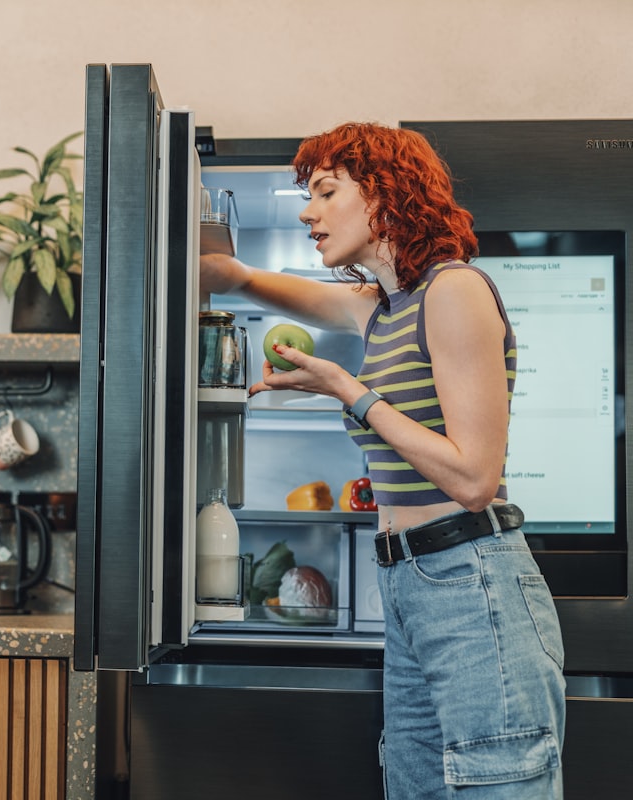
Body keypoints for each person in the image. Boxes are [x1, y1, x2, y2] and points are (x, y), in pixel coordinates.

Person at [201, 123, 566, 798]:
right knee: (418, 785)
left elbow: (474, 477)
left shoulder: (454, 291)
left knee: (492, 785)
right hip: (409, 583)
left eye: (326, 192)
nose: (309, 212)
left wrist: (350, 390)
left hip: (471, 578)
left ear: (386, 194)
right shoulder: (383, 308)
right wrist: (190, 250)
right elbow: (248, 279)